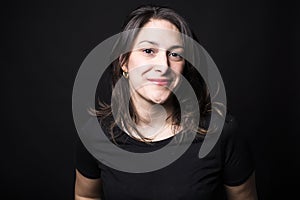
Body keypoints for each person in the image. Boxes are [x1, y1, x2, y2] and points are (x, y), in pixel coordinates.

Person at [74, 5, 258, 200]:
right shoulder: (95, 133)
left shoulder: (221, 132)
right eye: (148, 50)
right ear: (124, 62)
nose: (163, 66)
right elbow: (87, 196)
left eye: (175, 54)